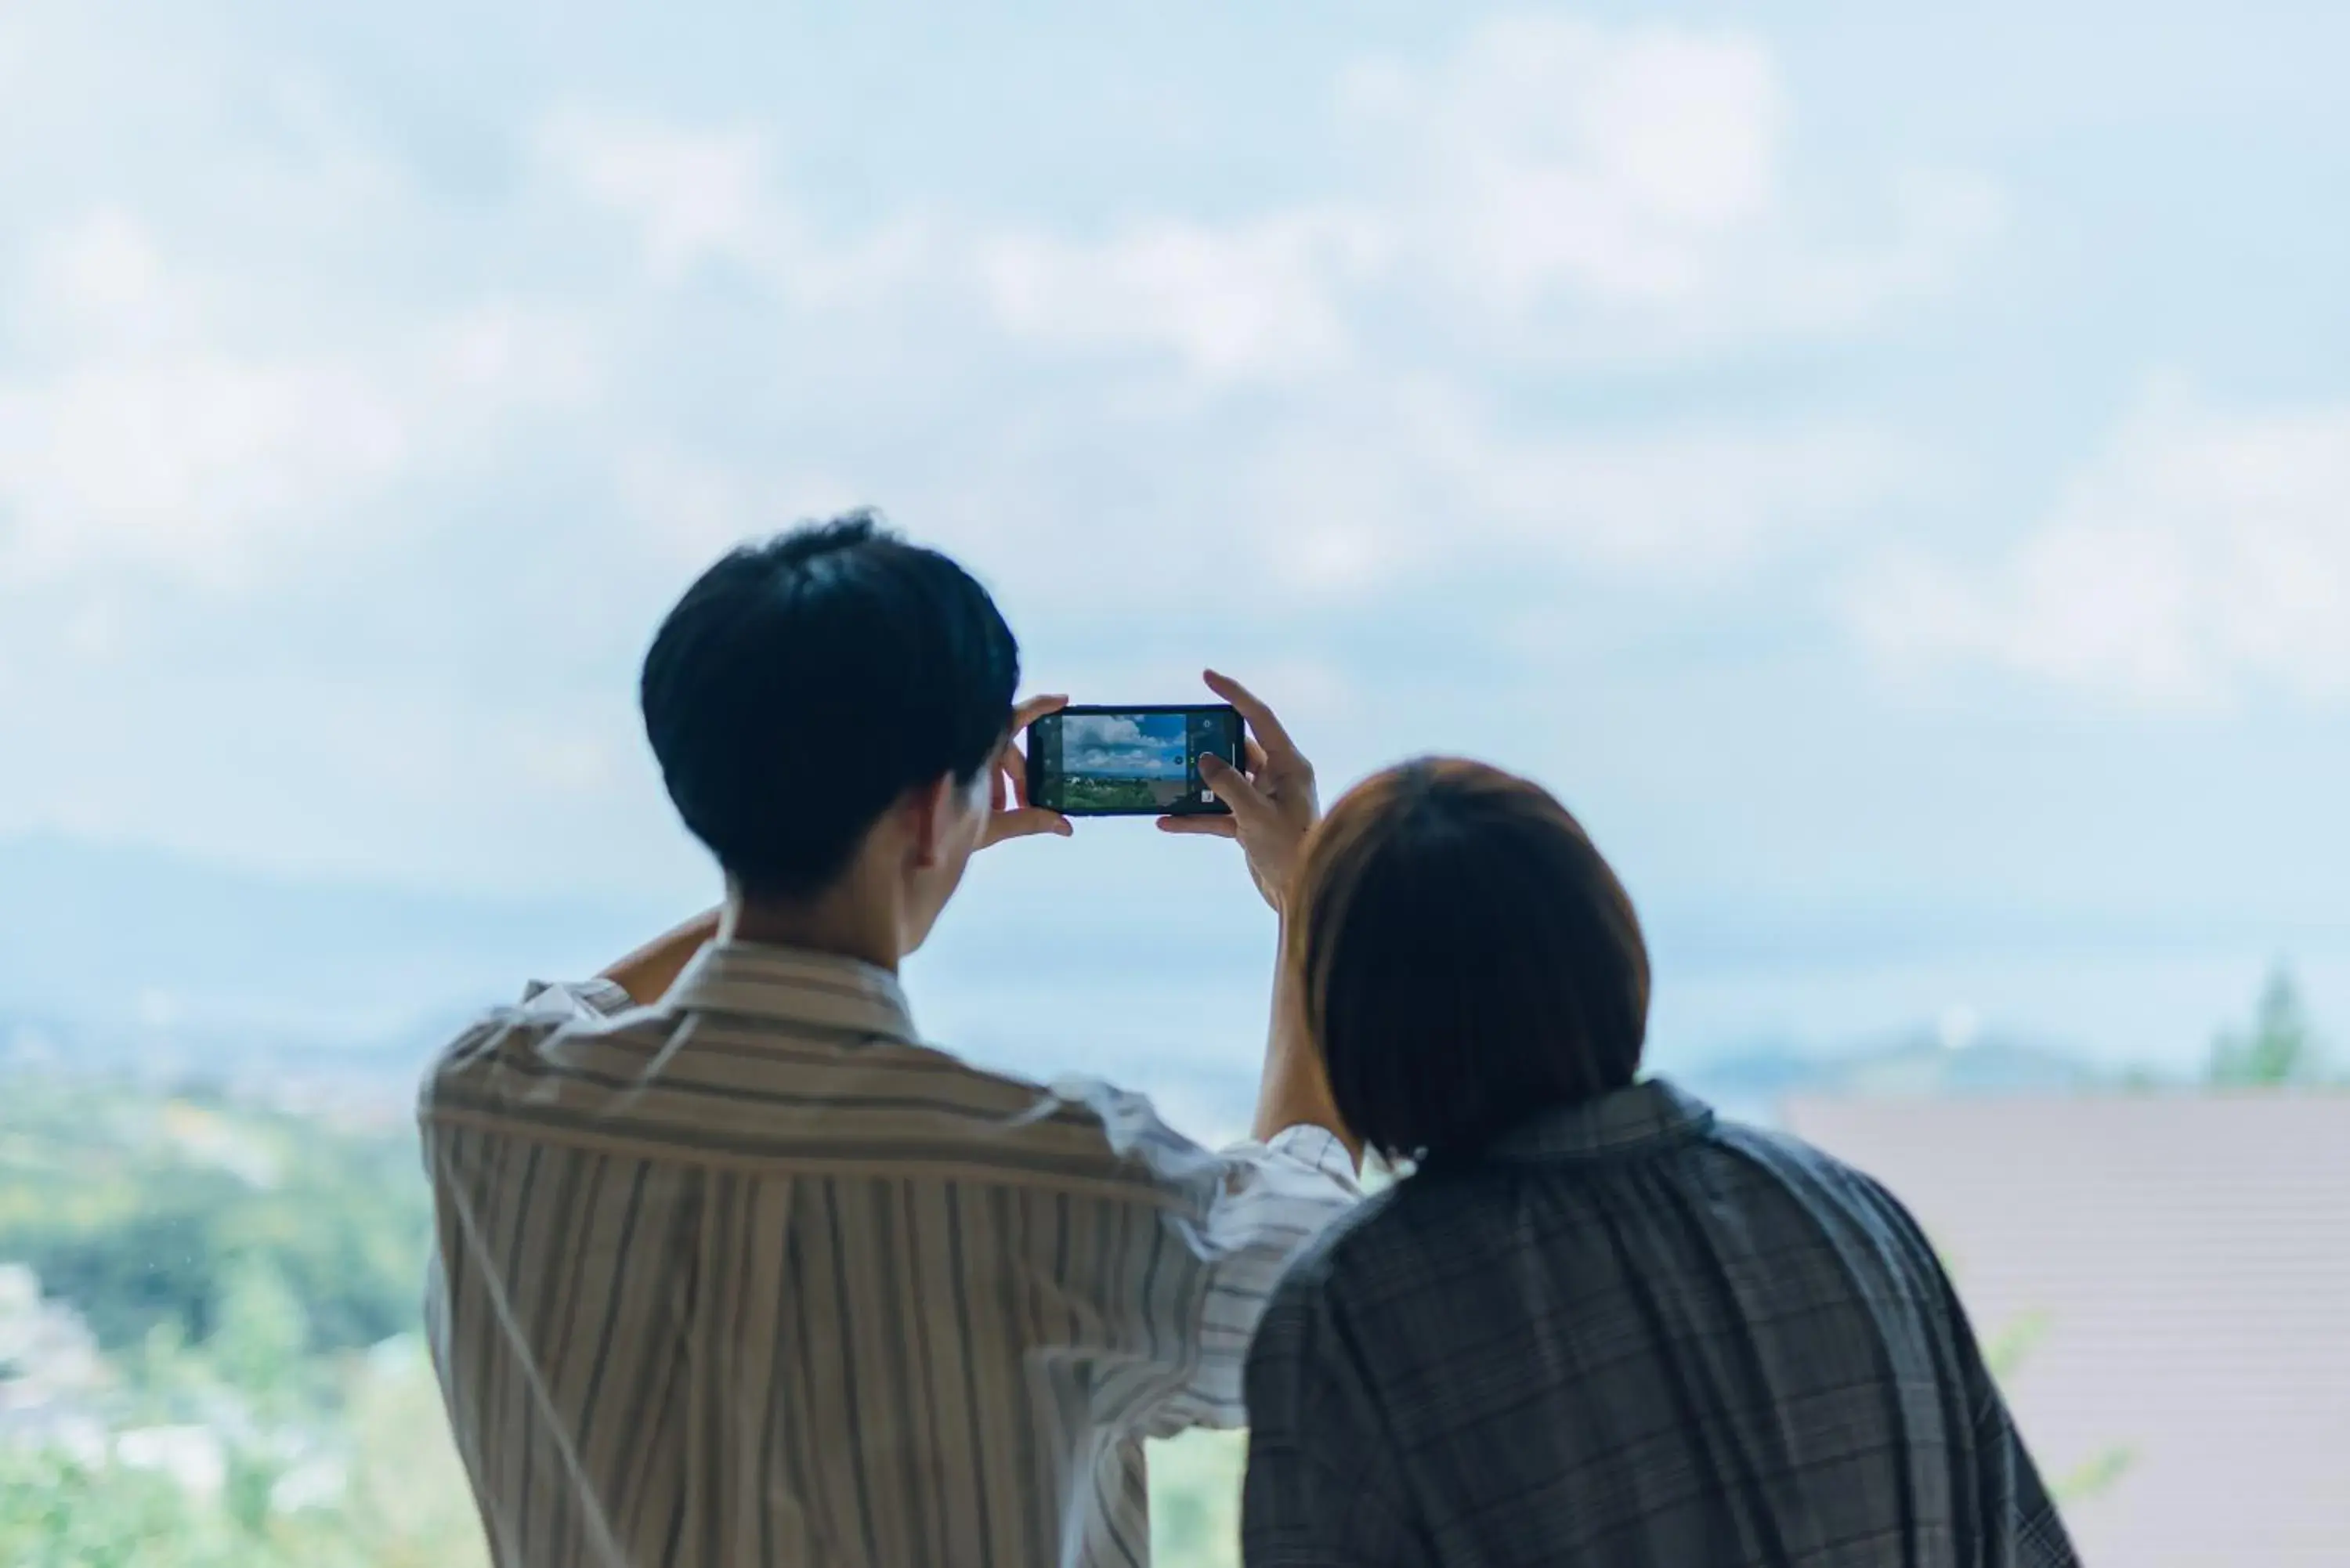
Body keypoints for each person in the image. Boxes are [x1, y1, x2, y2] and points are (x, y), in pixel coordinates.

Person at [420, 513, 1359, 1568]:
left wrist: (873, 836)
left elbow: (586, 1005)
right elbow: (1335, 1257)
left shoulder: (485, 1105)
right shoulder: (1068, 1178)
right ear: (927, 815)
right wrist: (1308, 894)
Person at [1241, 758, 2079, 1568]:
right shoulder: (1855, 1220)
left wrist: (1308, 916)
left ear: (1356, 1027)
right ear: (1614, 948)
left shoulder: (1352, 1314)